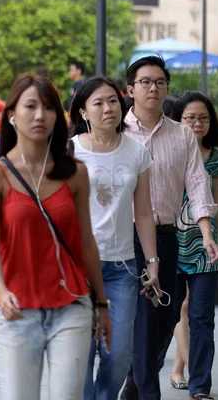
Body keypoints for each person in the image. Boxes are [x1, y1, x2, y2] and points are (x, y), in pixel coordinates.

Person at [0, 74, 110, 399]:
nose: (40, 116)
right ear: (11, 114)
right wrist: (0, 289)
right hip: (16, 310)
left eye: (48, 108)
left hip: (72, 307)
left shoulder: (75, 172)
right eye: (30, 106)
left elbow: (86, 242)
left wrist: (102, 304)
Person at [119, 57, 218, 400]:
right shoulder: (117, 131)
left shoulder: (181, 135)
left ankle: (136, 374)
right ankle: (147, 390)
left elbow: (198, 184)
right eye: (145, 82)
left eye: (160, 82)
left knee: (168, 314)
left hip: (168, 236)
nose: (153, 88)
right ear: (130, 89)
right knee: (146, 318)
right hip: (125, 238)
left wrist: (207, 235)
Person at [68, 77, 160, 400]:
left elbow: (144, 213)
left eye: (113, 100)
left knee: (118, 352)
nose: (108, 108)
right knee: (80, 354)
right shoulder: (70, 152)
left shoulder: (137, 151)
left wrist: (152, 262)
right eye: (98, 103)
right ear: (83, 111)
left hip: (122, 268)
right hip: (77, 267)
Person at [166, 91, 218, 398]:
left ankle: (200, 385)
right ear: (177, 120)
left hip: (205, 248)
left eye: (203, 117)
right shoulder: (166, 152)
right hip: (169, 242)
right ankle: (159, 370)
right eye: (190, 117)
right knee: (171, 312)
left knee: (202, 316)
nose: (197, 123)